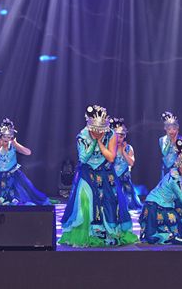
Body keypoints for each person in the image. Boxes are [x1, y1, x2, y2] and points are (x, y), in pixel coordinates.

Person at [59, 105, 138, 247]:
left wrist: (100, 142)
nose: (98, 131)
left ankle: (108, 232)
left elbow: (111, 158)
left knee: (109, 202)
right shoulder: (82, 136)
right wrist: (94, 141)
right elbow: (83, 158)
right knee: (85, 202)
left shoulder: (111, 134)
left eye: (101, 129)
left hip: (106, 173)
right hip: (86, 172)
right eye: (95, 129)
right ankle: (87, 233)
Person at [0, 118, 50, 206]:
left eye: (9, 137)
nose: (6, 139)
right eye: (4, 136)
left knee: (17, 199)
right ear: (1, 136)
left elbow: (28, 152)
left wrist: (16, 144)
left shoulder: (13, 146)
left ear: (11, 137)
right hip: (1, 177)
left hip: (14, 176)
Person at [111, 117, 143, 210]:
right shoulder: (110, 147)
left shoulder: (128, 148)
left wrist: (123, 152)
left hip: (124, 180)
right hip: (112, 179)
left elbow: (131, 163)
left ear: (124, 136)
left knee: (127, 203)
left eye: (121, 137)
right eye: (116, 136)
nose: (118, 139)